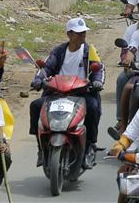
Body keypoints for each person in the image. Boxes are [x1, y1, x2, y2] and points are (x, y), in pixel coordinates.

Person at [29, 18, 103, 168]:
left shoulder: (90, 51)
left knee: (93, 107)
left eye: (84, 32)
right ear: (69, 34)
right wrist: (38, 80)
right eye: (79, 33)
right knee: (35, 106)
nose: (83, 35)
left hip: (82, 93)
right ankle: (40, 148)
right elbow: (46, 68)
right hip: (57, 92)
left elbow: (99, 69)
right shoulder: (58, 51)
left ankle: (89, 147)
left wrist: (97, 82)